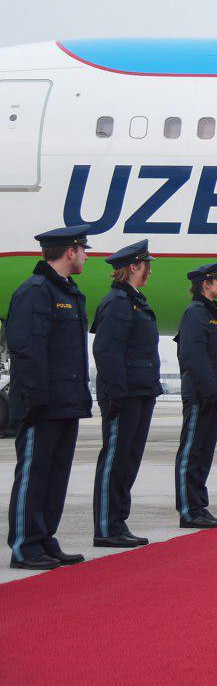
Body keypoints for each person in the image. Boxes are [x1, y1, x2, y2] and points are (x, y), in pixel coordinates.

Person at [5, 225, 93, 570]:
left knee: (56, 475)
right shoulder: (35, 291)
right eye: (83, 250)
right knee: (34, 473)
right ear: (70, 252)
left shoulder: (68, 292)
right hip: (42, 402)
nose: (86, 255)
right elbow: (26, 348)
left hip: (66, 400)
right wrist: (35, 398)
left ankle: (44, 538)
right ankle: (25, 545)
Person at [90, 240, 161, 548]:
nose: (150, 271)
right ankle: (107, 526)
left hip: (140, 391)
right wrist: (117, 394)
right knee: (116, 459)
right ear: (134, 267)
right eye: (147, 265)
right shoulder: (118, 302)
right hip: (125, 394)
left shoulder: (135, 300)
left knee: (129, 459)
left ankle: (118, 521)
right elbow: (106, 351)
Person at [175, 262, 217, 529]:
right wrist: (211, 390)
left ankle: (199, 506)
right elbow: (193, 357)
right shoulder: (195, 313)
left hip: (214, 395)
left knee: (204, 452)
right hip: (201, 395)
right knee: (192, 451)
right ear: (205, 285)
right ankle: (189, 509)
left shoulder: (213, 313)